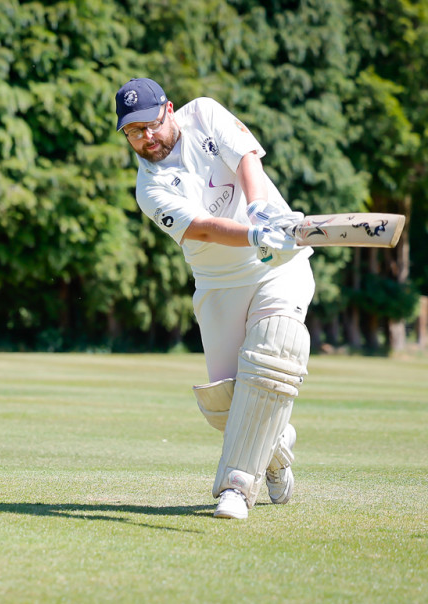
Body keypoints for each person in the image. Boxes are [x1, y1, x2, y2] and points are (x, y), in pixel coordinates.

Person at [115, 78, 315, 519]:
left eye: (150, 124)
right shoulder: (149, 188)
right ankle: (276, 450)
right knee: (227, 403)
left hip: (278, 265)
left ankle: (237, 489)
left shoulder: (203, 113)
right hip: (218, 282)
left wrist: (261, 211)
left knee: (274, 347)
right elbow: (202, 227)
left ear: (169, 110)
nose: (145, 137)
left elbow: (245, 157)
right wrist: (251, 233)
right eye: (133, 132)